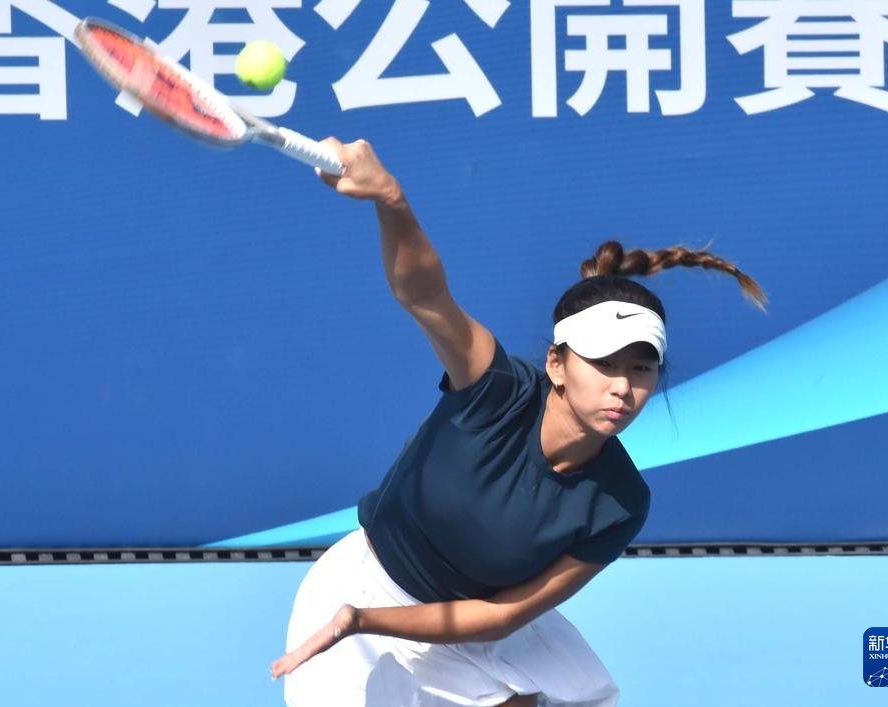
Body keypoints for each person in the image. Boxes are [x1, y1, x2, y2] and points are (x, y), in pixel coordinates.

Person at [271, 138, 767, 706]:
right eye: (603, 364)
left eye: (641, 369)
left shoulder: (621, 503)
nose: (622, 386)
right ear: (556, 364)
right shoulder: (495, 391)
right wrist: (391, 200)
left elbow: (500, 616)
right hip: (364, 589)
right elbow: (425, 295)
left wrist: (365, 621)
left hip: (470, 626)